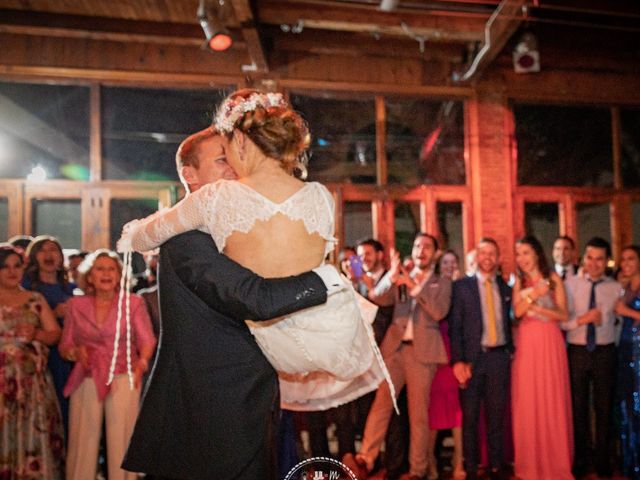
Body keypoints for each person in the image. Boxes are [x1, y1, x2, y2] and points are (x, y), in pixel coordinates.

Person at [118, 89, 388, 412]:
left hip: (265, 340)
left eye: (227, 146)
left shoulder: (217, 197)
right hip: (327, 332)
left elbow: (143, 238)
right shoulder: (321, 196)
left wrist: (134, 232)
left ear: (242, 143)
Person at [121, 125, 351, 480]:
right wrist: (328, 279)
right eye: (221, 161)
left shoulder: (229, 231)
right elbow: (254, 298)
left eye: (234, 160)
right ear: (189, 175)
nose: (233, 170)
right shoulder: (188, 240)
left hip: (240, 404)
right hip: (208, 415)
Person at [345, 233, 452, 480]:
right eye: (416, 246)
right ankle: (366, 459)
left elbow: (438, 312)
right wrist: (391, 277)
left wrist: (413, 286)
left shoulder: (441, 282)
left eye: (426, 247)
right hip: (395, 350)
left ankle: (417, 470)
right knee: (381, 404)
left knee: (418, 415)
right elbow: (377, 297)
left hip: (422, 354)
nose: (420, 250)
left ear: (435, 253)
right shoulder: (402, 276)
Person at [59, 249, 156, 480]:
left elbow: (148, 341)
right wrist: (74, 352)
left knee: (121, 439)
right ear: (89, 276)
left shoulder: (133, 303)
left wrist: (140, 366)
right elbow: (65, 345)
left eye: (111, 269)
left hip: (124, 376)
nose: (106, 274)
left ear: (120, 274)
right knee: (83, 439)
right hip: (87, 376)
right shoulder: (75, 305)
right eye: (99, 269)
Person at [449, 238, 513, 480]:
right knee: (471, 417)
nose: (487, 257)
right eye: (483, 252)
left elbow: (509, 321)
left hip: (498, 358)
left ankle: (496, 466)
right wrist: (457, 361)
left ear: (497, 258)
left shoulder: (505, 286)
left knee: (496, 417)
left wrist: (511, 351)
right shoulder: (462, 287)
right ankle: (472, 468)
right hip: (471, 361)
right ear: (476, 256)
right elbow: (456, 327)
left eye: (492, 253)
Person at [0, 244, 65, 478]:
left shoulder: (34, 299)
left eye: (16, 266)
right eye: (5, 267)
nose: (11, 272)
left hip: (30, 384)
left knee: (31, 436)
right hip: (2, 381)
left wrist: (36, 334)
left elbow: (55, 333)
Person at [511, 236, 573, 480]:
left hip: (550, 341)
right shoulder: (519, 281)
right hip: (526, 343)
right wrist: (534, 293)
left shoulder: (553, 278)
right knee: (528, 399)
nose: (522, 259)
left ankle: (556, 464)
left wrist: (536, 308)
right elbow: (516, 312)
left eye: (526, 253)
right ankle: (530, 466)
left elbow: (563, 314)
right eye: (518, 254)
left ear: (537, 254)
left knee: (551, 397)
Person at [563, 237, 622, 479]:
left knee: (604, 407)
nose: (594, 263)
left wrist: (605, 321)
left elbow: (618, 322)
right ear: (582, 258)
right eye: (590, 257)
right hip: (577, 349)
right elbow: (562, 321)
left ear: (606, 261)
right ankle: (581, 460)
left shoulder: (615, 287)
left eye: (599, 258)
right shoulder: (569, 284)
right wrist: (583, 319)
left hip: (604, 350)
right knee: (577, 408)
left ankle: (602, 461)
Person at [23, 235, 76, 437]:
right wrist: (53, 314)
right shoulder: (28, 288)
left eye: (53, 249)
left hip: (66, 356)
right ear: (34, 256)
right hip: (41, 353)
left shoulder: (71, 289)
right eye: (43, 250)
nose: (49, 254)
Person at [427, 249, 464, 480]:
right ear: (439, 266)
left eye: (453, 262)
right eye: (445, 262)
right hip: (433, 353)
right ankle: (429, 459)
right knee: (432, 412)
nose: (449, 266)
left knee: (457, 409)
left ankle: (458, 460)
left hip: (455, 354)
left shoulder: (463, 288)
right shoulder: (432, 286)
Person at [614, 245, 640, 480]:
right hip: (624, 350)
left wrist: (627, 311)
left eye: (631, 259)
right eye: (623, 259)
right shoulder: (625, 286)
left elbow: (626, 312)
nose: (626, 263)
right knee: (627, 407)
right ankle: (631, 464)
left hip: (639, 351)